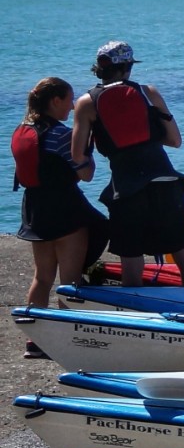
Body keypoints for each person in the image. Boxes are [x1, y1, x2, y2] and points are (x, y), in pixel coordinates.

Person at [71, 41, 184, 288]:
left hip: (126, 189)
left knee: (132, 263)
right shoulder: (148, 92)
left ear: (99, 69)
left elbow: (78, 155)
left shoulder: (87, 102)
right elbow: (175, 140)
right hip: (166, 182)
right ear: (128, 67)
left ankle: (136, 314)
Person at [13, 77, 108, 358]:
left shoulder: (21, 130)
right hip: (65, 209)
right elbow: (86, 174)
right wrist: (87, 146)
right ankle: (67, 339)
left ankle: (35, 340)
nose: (71, 106)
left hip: (34, 209)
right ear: (55, 101)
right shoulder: (62, 135)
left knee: (42, 277)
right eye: (69, 99)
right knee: (70, 279)